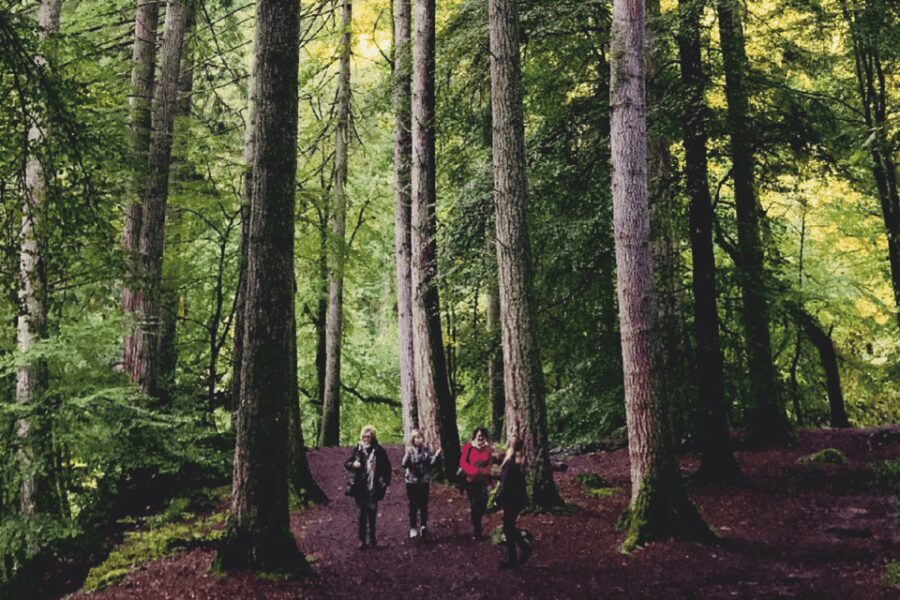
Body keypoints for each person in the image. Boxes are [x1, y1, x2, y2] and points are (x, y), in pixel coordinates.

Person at [345, 425, 391, 549]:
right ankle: (361, 541)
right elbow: (347, 463)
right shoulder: (357, 449)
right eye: (364, 436)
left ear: (373, 437)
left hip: (373, 487)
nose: (366, 439)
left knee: (372, 514)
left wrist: (385, 481)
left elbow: (387, 467)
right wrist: (354, 464)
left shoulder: (379, 451)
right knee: (361, 515)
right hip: (359, 487)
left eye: (369, 436)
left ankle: (372, 539)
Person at [494, 437, 531, 569]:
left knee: (508, 528)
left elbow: (505, 484)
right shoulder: (518, 462)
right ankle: (520, 551)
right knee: (509, 527)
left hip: (512, 500)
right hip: (518, 499)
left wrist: (497, 499)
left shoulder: (509, 463)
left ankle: (514, 557)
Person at [401, 429, 441, 539]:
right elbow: (404, 464)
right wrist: (409, 457)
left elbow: (431, 463)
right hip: (412, 481)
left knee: (423, 504)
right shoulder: (409, 451)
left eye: (420, 437)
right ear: (413, 440)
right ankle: (413, 527)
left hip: (423, 481)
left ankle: (423, 525)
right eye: (416, 438)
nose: (419, 440)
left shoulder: (426, 451)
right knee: (413, 505)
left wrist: (436, 455)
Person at [459, 426, 493, 539]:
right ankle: (477, 529)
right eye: (478, 436)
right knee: (474, 504)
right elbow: (463, 462)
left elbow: (489, 463)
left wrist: (484, 472)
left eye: (482, 436)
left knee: (482, 503)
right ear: (475, 436)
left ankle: (478, 521)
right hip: (470, 481)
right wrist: (472, 471)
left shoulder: (487, 448)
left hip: (483, 480)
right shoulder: (469, 446)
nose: (480, 438)